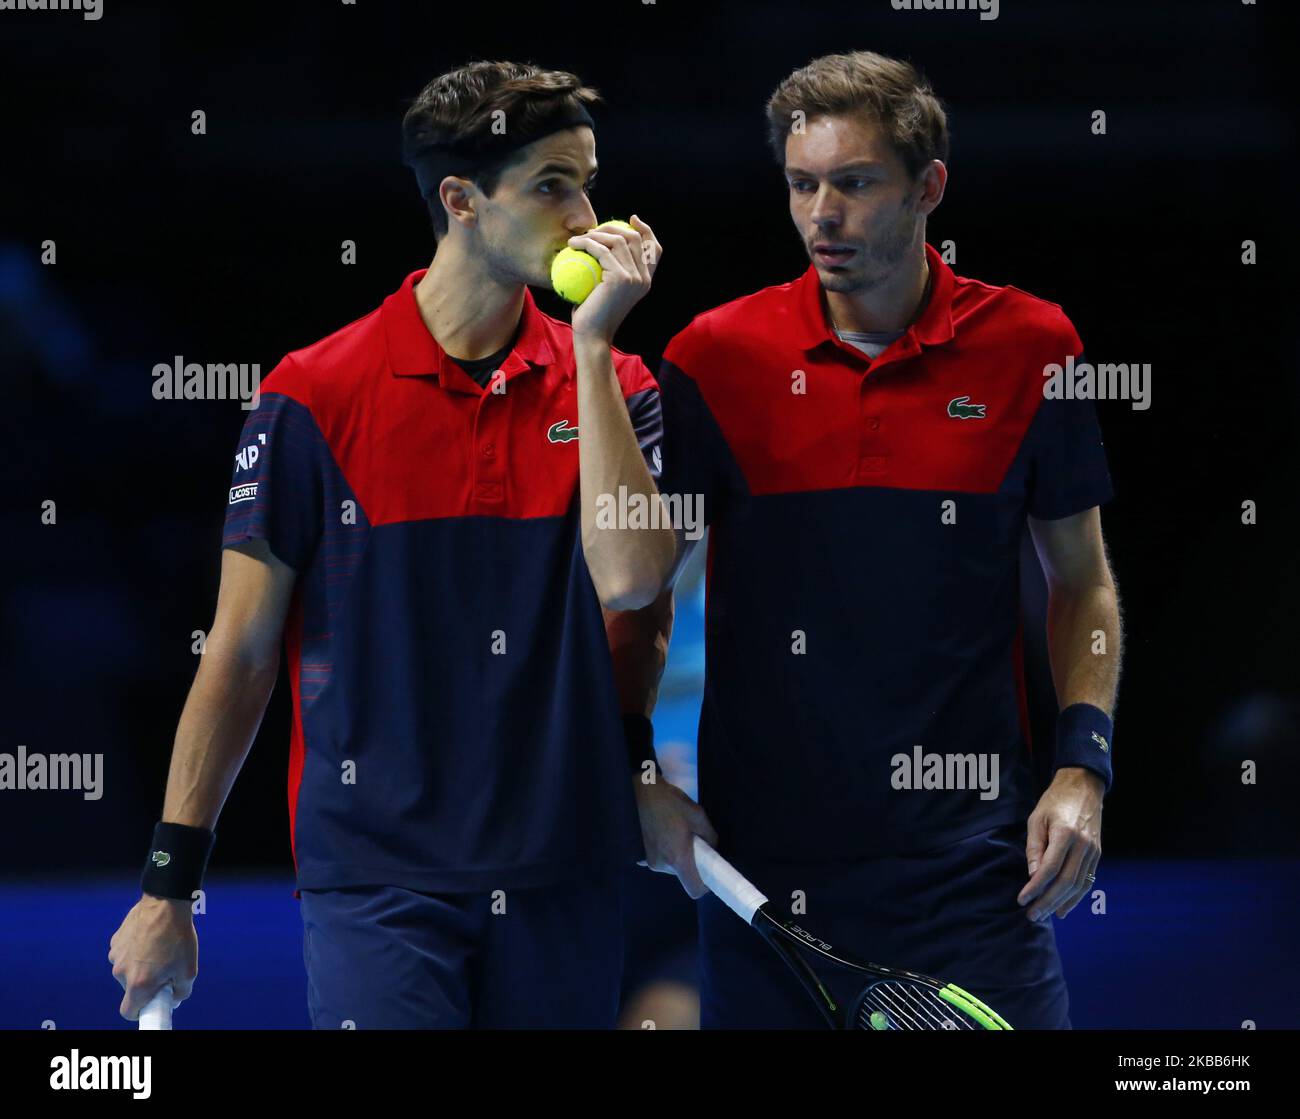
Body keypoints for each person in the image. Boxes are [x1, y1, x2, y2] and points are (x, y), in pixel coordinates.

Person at [108, 59, 707, 1029]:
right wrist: (166, 886)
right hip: (376, 881)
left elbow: (634, 584)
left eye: (588, 182)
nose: (586, 215)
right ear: (460, 200)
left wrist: (591, 347)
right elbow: (241, 652)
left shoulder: (620, 385)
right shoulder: (312, 396)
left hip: (566, 868)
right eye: (553, 186)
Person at [649, 50, 1122, 1028]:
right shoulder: (711, 358)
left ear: (928, 187)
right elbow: (638, 592)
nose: (823, 213)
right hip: (761, 872)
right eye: (801, 184)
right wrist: (638, 773)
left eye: (855, 183)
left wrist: (1082, 767)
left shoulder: (1036, 347)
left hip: (971, 871)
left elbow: (1083, 581)